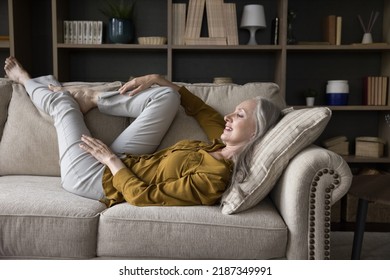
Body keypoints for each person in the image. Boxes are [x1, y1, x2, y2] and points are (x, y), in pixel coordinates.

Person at [4, 56, 281, 208]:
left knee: (63, 103)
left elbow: (143, 197)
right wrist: (158, 79)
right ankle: (92, 98)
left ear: (256, 130)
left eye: (240, 115)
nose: (228, 116)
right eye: (233, 111)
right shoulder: (218, 140)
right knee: (166, 97)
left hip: (95, 178)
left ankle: (25, 81)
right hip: (128, 159)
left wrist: (109, 159)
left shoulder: (214, 177)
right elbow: (196, 107)